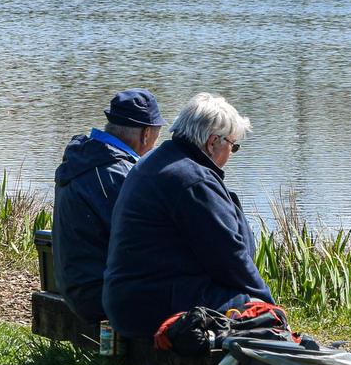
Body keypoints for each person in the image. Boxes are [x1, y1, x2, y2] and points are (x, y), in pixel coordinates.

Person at [102, 91, 274, 343]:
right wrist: (266, 302)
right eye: (233, 146)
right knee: (257, 311)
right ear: (213, 142)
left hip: (127, 301)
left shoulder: (155, 161)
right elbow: (230, 256)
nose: (231, 154)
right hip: (151, 308)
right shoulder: (193, 181)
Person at [50, 89, 162, 324]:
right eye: (156, 137)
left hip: (75, 286)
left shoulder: (85, 157)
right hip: (98, 296)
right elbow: (146, 241)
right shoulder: (117, 174)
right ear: (146, 134)